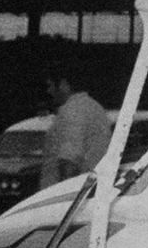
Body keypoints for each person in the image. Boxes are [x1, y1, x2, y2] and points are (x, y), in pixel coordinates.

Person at [39, 62, 112, 190]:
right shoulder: (95, 107)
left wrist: (64, 194)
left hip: (68, 193)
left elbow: (70, 159)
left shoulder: (72, 110)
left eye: (50, 85)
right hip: (92, 187)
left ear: (63, 84)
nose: (48, 91)